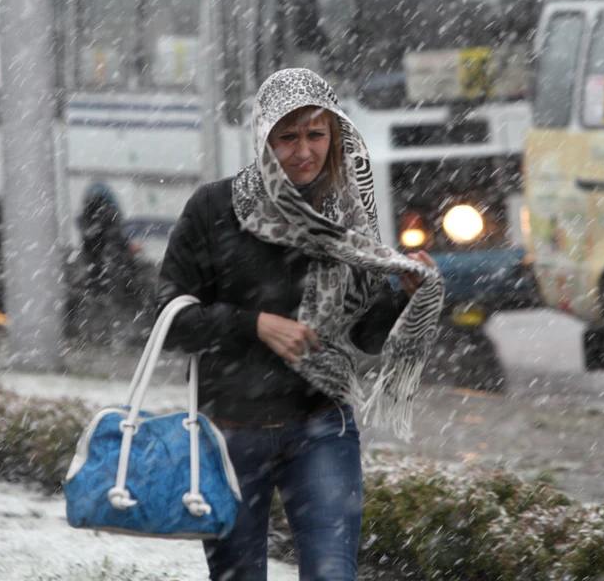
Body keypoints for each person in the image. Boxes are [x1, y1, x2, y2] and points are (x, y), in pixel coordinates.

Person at [156, 68, 443, 581]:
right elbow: (170, 318)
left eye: (316, 134)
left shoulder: (348, 218)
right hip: (231, 432)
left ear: (335, 136)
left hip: (320, 425)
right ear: (263, 138)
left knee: (332, 574)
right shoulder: (214, 208)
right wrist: (254, 324)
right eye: (287, 137)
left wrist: (405, 301)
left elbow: (365, 336)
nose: (303, 151)